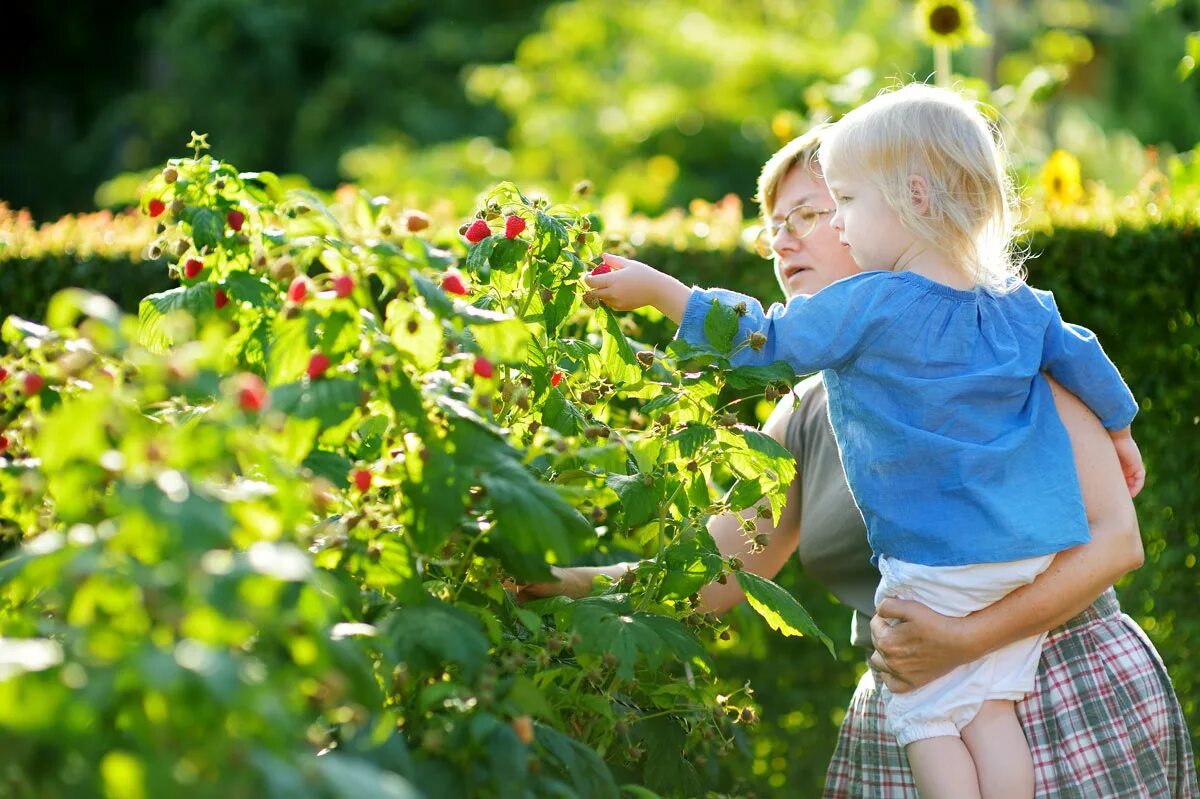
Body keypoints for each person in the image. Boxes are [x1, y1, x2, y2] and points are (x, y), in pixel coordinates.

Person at [523, 106, 1199, 795]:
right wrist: (561, 581)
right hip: (920, 708)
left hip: (1062, 693)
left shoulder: (1001, 358)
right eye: (774, 225)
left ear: (910, 208)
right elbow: (716, 577)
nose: (786, 241)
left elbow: (1119, 541)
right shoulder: (806, 414)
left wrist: (965, 639)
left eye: (819, 210)